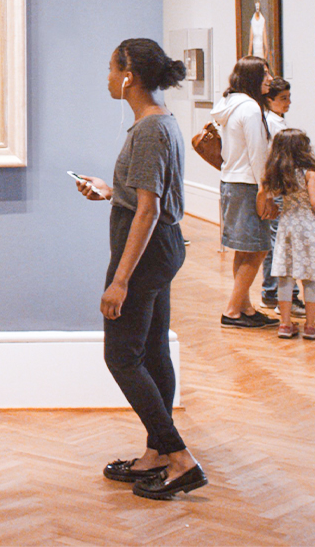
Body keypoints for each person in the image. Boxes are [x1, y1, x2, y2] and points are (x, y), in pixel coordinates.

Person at [75, 38, 207, 501]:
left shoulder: (149, 130)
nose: (108, 77)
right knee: (152, 352)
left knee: (122, 356)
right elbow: (148, 196)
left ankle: (181, 458)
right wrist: (113, 191)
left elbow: (148, 211)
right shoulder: (160, 123)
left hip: (147, 252)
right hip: (163, 247)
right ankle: (155, 454)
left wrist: (120, 280)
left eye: (112, 69)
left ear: (128, 76)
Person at [213, 56, 276, 328]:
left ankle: (244, 306)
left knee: (244, 249)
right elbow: (258, 153)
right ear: (252, 78)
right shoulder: (250, 108)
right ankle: (232, 310)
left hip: (231, 181)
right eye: (264, 74)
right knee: (259, 249)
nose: (270, 79)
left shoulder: (230, 104)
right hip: (249, 185)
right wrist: (267, 190)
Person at [257, 129, 315, 340]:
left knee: (285, 277)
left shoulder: (276, 172)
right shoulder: (309, 171)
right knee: (309, 277)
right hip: (308, 227)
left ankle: (284, 324)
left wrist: (266, 206)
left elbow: (262, 194)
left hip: (287, 227)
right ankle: (310, 326)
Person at [259, 77, 301, 311]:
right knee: (280, 242)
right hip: (279, 187)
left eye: (288, 97)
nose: (288, 102)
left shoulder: (270, 121)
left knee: (274, 240)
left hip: (275, 186)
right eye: (283, 98)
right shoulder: (275, 124)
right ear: (270, 100)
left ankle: (271, 291)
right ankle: (280, 294)